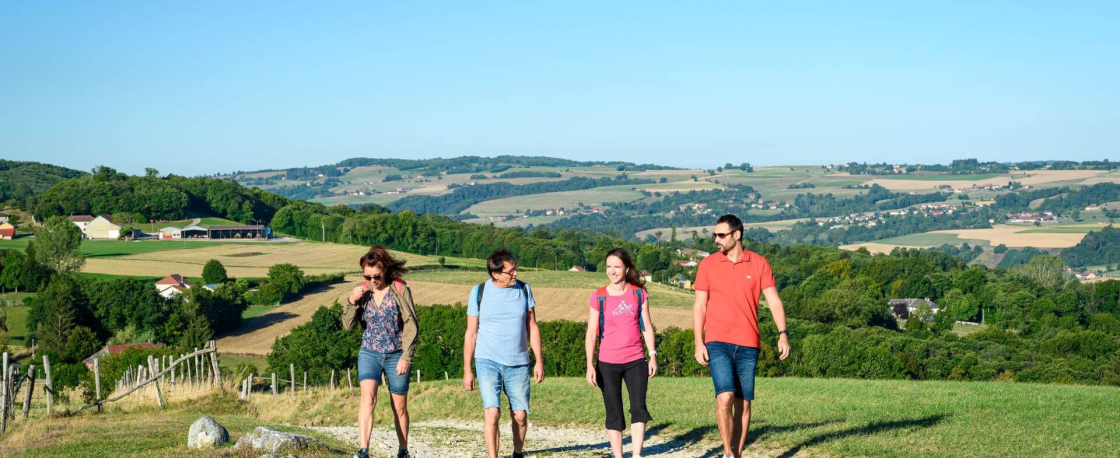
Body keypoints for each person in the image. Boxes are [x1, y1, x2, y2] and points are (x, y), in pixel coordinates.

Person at [693, 214, 791, 458]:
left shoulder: (759, 263)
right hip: (716, 341)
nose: (716, 239)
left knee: (743, 403)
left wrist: (783, 334)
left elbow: (774, 302)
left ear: (736, 235)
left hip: (748, 343)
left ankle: (736, 454)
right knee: (724, 397)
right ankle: (727, 453)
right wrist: (698, 342)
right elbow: (699, 307)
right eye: (714, 234)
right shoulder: (708, 265)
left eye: (721, 235)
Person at [463, 248, 545, 458]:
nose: (515, 274)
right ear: (495, 274)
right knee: (492, 412)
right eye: (510, 271)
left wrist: (539, 361)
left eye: (515, 269)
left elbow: (532, 327)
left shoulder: (524, 290)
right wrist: (467, 369)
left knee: (519, 415)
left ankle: (517, 453)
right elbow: (471, 333)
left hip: (518, 362)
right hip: (487, 360)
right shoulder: (478, 292)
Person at [343, 245, 420, 458]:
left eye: (376, 276)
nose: (372, 280)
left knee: (400, 407)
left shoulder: (400, 289)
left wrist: (407, 356)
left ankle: (403, 450)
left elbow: (412, 324)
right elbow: (347, 326)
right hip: (370, 352)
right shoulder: (362, 292)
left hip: (396, 354)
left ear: (384, 270)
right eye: (367, 276)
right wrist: (351, 302)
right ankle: (363, 450)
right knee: (367, 398)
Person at [585, 248, 657, 458]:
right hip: (607, 363)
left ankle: (636, 454)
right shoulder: (598, 296)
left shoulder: (638, 294)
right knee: (613, 410)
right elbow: (591, 333)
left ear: (626, 269)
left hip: (636, 360)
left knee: (638, 407)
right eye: (609, 267)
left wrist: (652, 355)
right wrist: (590, 365)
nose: (612, 271)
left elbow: (647, 327)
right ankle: (618, 455)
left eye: (617, 267)